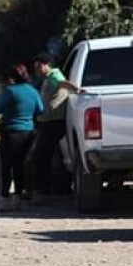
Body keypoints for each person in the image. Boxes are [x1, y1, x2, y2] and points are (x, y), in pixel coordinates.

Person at [31, 53, 81, 201]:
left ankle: (43, 190)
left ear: (46, 64)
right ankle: (55, 188)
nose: (37, 71)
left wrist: (77, 89)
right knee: (51, 156)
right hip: (50, 121)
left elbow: (63, 83)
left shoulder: (54, 75)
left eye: (39, 67)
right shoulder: (49, 78)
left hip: (53, 122)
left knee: (40, 156)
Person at [0, 63, 43, 211]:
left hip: (10, 132)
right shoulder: (33, 91)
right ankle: (18, 198)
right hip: (27, 133)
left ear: (10, 77)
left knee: (6, 166)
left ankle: (4, 198)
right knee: (20, 166)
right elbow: (40, 109)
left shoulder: (9, 91)